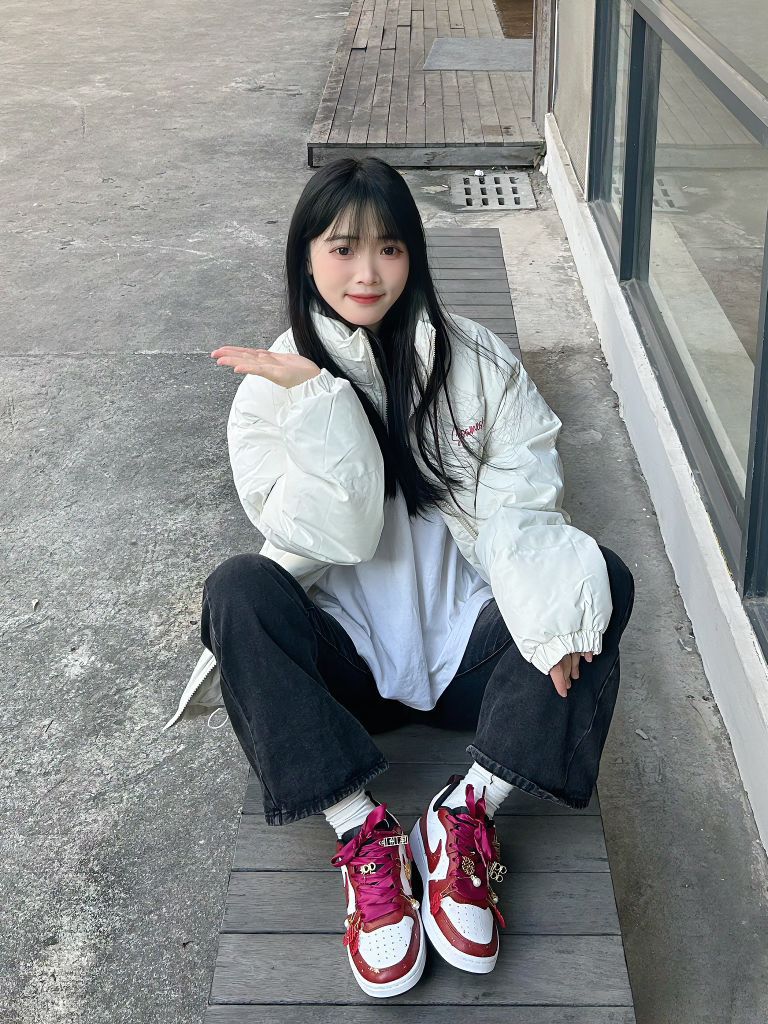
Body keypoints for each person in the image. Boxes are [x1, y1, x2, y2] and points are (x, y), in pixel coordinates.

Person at [196, 156, 635, 998]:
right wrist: (320, 402)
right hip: (348, 670)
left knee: (596, 582)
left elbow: (526, 506)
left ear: (414, 255)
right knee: (237, 591)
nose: (367, 272)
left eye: (390, 247)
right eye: (343, 248)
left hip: (468, 655)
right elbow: (339, 530)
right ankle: (364, 832)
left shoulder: (478, 361)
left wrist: (553, 614)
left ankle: (465, 813)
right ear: (306, 258)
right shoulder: (268, 389)